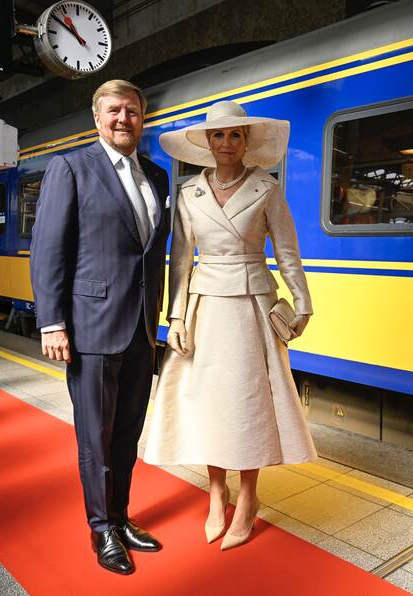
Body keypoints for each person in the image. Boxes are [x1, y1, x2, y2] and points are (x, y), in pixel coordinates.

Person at [142, 100, 317, 550]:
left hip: (251, 306)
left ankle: (249, 498)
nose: (226, 143)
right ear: (206, 142)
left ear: (246, 142)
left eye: (235, 135)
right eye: (218, 135)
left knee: (248, 403)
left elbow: (288, 251)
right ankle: (217, 490)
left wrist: (302, 301)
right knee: (211, 402)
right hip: (204, 307)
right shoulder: (187, 195)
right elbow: (179, 260)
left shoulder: (266, 188)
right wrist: (176, 316)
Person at [30, 80, 170, 574]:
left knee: (127, 431)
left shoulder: (156, 175)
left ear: (142, 118)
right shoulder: (70, 167)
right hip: (89, 326)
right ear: (97, 117)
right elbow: (49, 248)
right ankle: (101, 531)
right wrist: (52, 323)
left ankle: (121, 515)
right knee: (95, 435)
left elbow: (149, 255)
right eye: (114, 111)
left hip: (139, 326)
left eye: (132, 111)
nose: (123, 119)